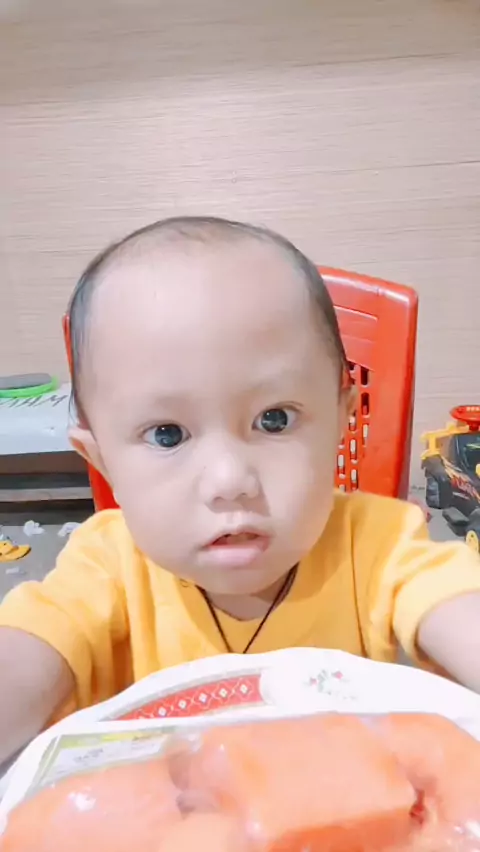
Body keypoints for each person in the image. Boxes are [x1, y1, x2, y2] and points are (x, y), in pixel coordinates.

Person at [0, 216, 479, 765]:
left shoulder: (378, 543)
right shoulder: (105, 565)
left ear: (342, 422)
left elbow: (456, 607)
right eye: (167, 434)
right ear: (102, 461)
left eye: (274, 419)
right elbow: (28, 654)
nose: (230, 480)